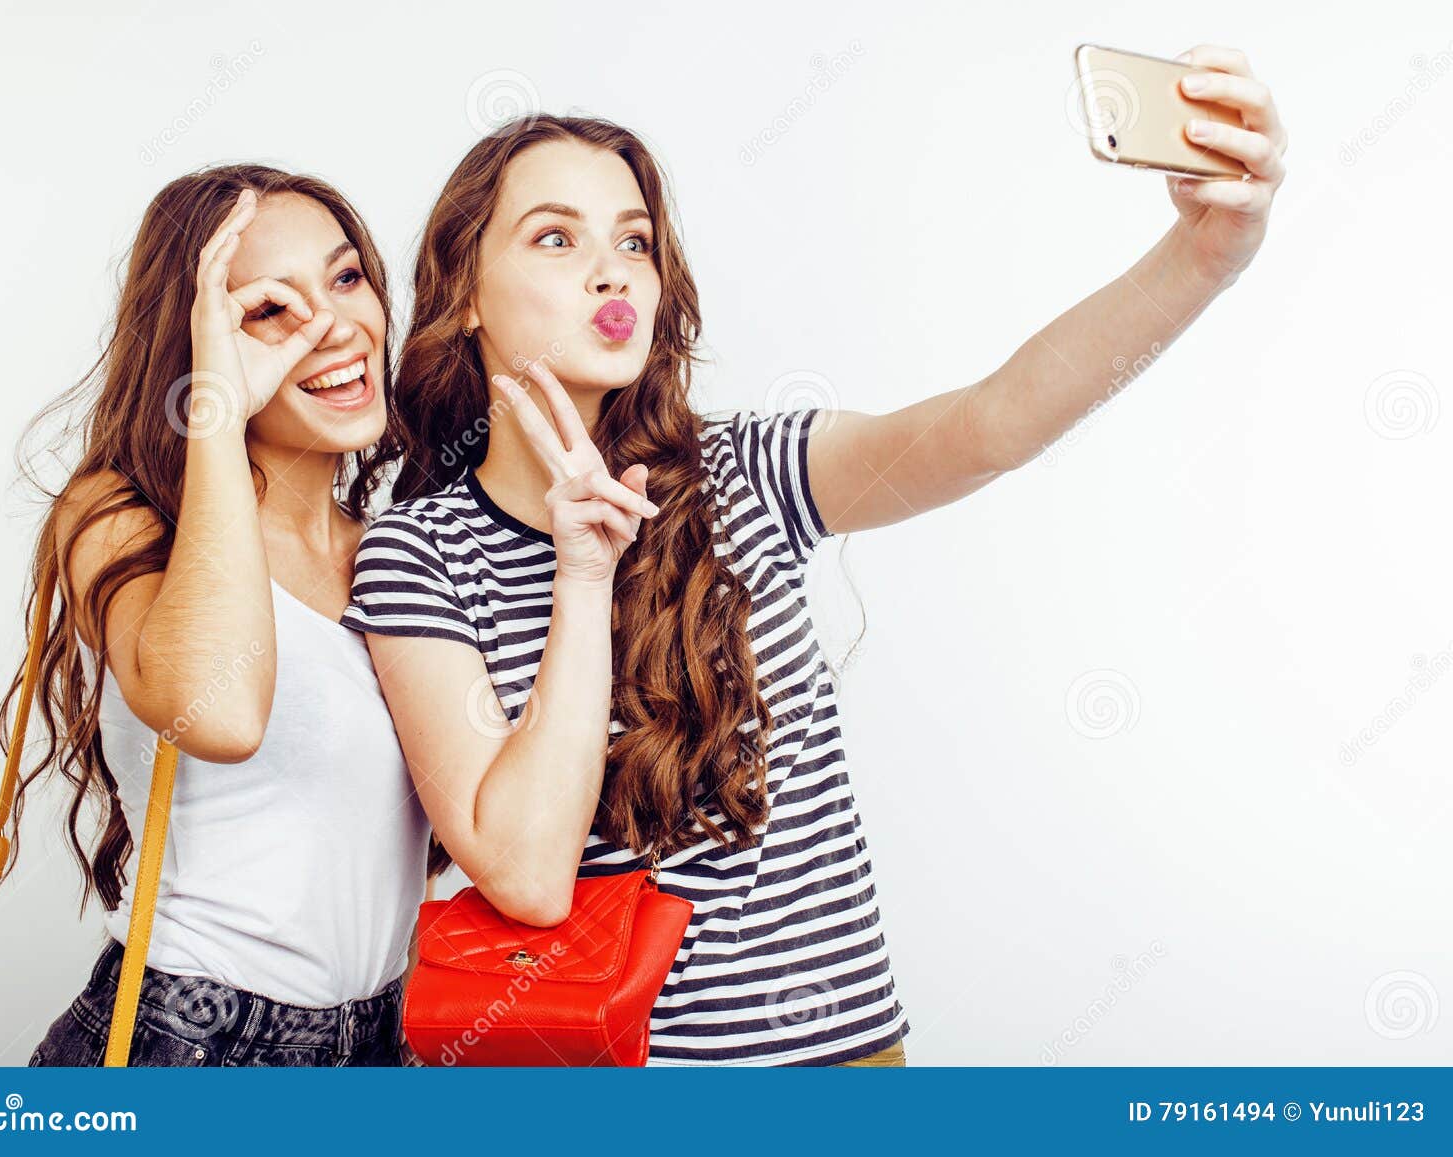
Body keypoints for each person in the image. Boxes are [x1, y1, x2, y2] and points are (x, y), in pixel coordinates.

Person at [343, 46, 1286, 1065]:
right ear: (466, 293)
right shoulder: (418, 555)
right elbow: (525, 871)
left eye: (633, 240)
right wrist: (582, 571)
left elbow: (990, 424)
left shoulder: (745, 470)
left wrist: (1203, 258)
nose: (612, 269)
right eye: (555, 238)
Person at [12, 164, 429, 1066]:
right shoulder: (121, 520)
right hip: (191, 1045)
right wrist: (219, 408)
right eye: (268, 309)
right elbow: (223, 712)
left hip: (386, 1043)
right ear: (197, 342)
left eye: (347, 277)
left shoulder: (398, 553)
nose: (332, 325)